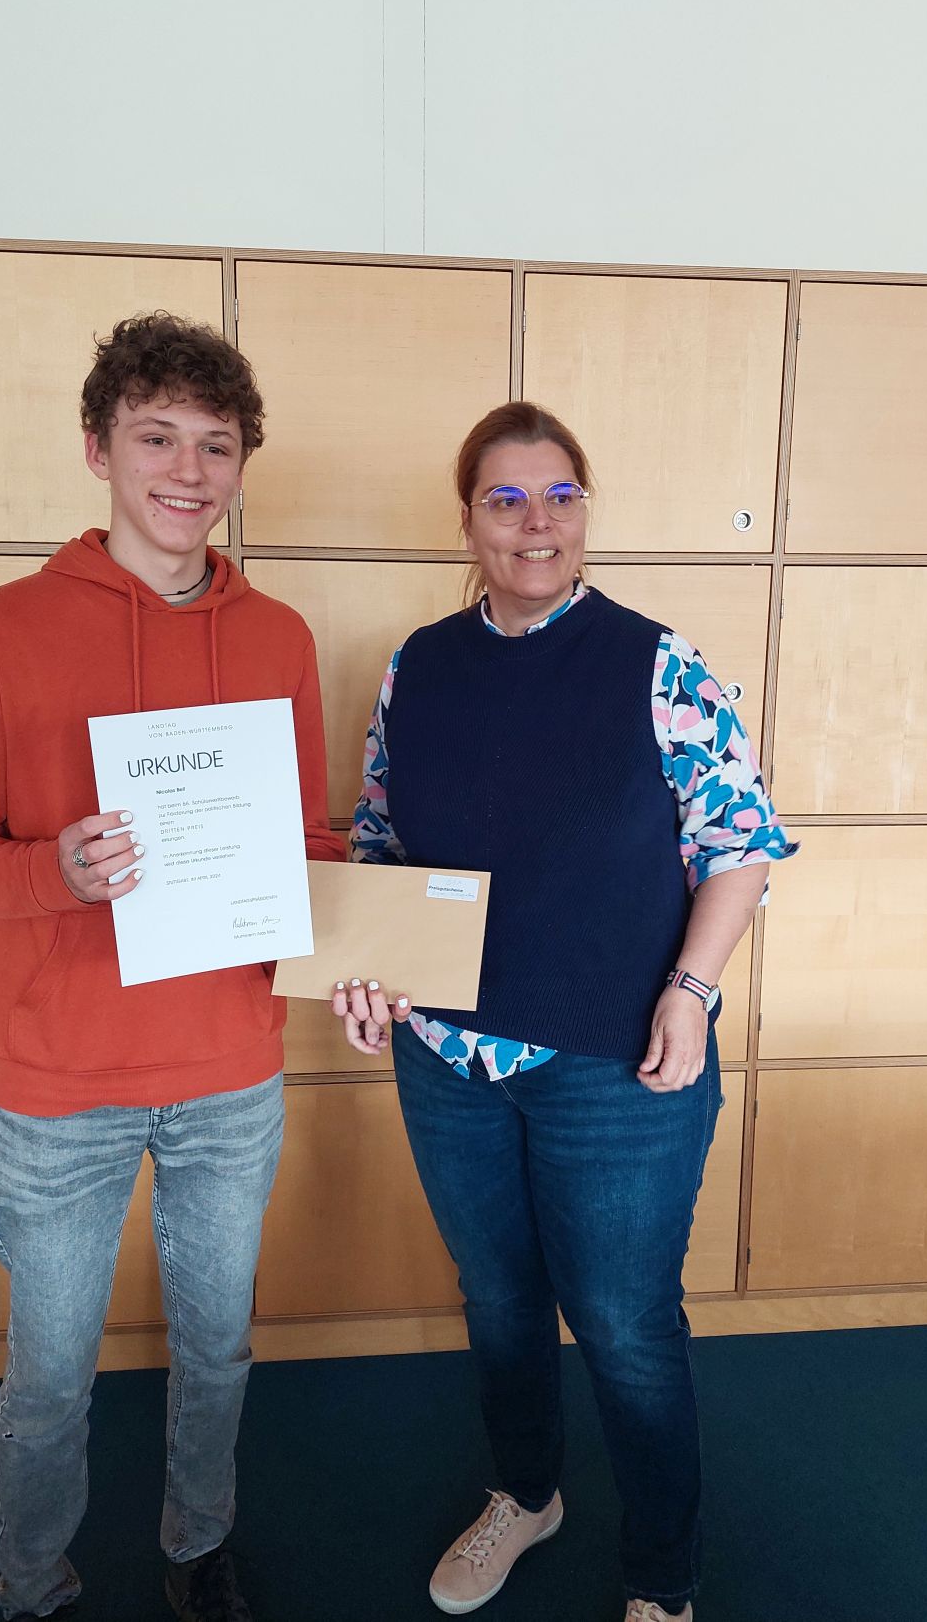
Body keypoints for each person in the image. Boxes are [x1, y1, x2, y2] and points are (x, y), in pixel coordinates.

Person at [0, 313, 343, 1622]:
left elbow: (308, 845)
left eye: (216, 444)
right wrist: (57, 870)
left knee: (217, 1346)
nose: (188, 471)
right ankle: (33, 1578)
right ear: (99, 449)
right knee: (48, 1376)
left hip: (229, 1073)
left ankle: (198, 1545)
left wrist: (355, 948)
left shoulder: (279, 635)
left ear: (241, 462)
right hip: (60, 1089)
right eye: (157, 437)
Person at [333, 401, 795, 1622]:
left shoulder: (656, 663)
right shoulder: (418, 666)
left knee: (624, 1325)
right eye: (505, 499)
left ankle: (661, 1577)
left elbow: (738, 844)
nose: (534, 522)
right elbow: (379, 838)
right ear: (468, 522)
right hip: (447, 1054)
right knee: (497, 1301)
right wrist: (367, 965)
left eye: (558, 496)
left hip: (615, 1059)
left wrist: (691, 992)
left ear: (583, 512)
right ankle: (525, 1494)